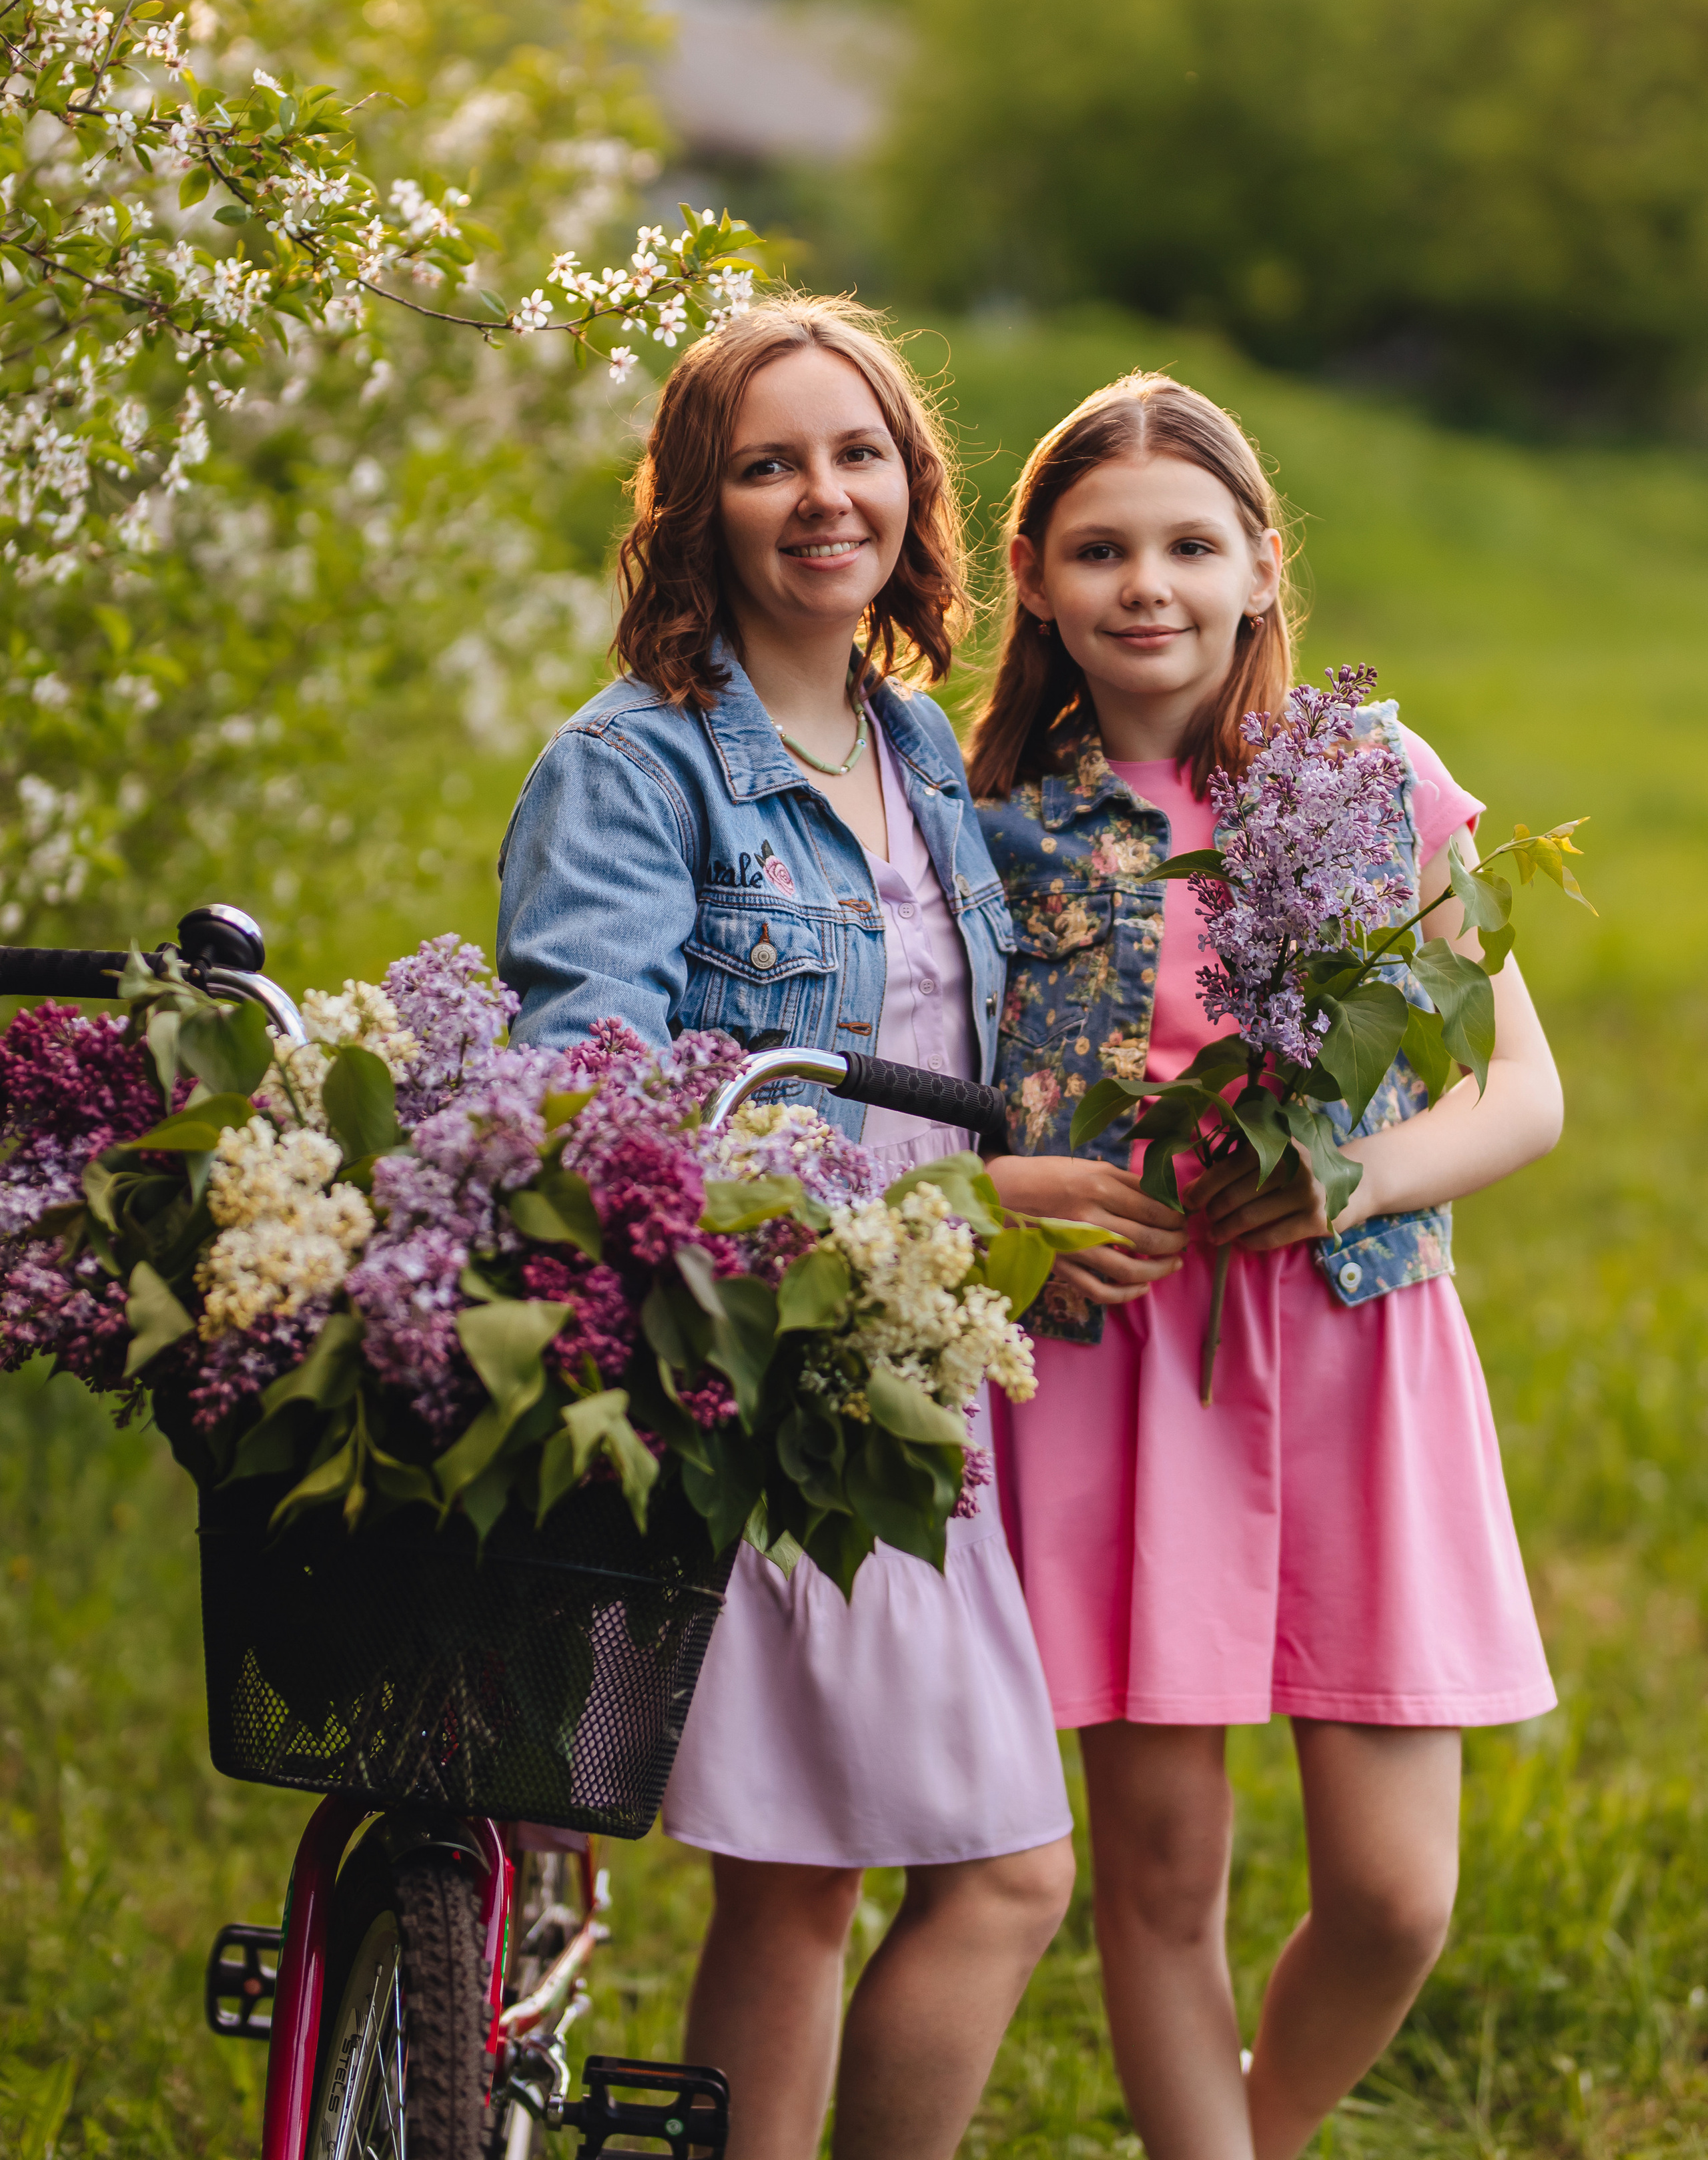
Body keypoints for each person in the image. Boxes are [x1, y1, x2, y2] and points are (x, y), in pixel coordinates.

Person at [495, 296, 1076, 2160]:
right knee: (972, 1876)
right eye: (768, 465)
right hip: (762, 1378)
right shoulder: (636, 763)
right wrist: (949, 1205)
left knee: (816, 1884)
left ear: (914, 487)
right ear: (696, 507)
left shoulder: (916, 748)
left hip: (915, 1387)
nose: (824, 497)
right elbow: (601, 1100)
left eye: (859, 455)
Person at [963, 371, 1562, 2160]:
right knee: (1162, 1872)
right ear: (1042, 582)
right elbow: (947, 1106)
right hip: (1122, 1375)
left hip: (1356, 1353)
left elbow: (1522, 1091)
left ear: (1257, 565)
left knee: (1394, 1895)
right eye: (1102, 550)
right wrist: (1018, 1198)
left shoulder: (1372, 782)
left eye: (1188, 544)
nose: (1148, 584)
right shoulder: (1003, 816)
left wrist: (1349, 1177)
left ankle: (1258, 2124)